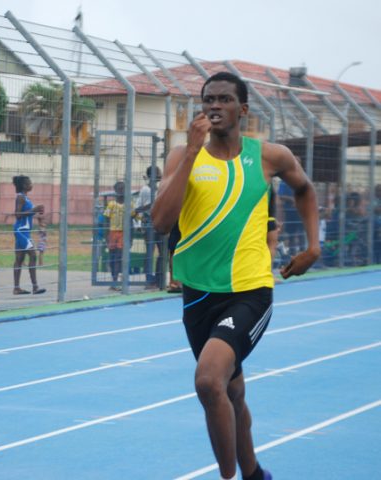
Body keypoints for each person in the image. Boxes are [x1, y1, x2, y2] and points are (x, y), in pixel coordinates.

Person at [151, 72, 320, 480]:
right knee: (232, 392)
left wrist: (313, 248)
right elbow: (160, 221)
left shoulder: (268, 156)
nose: (214, 105)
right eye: (208, 99)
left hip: (249, 292)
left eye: (225, 99)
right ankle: (255, 473)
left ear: (242, 110)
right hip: (196, 295)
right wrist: (191, 152)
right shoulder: (182, 157)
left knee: (209, 381)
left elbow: (304, 189)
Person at [12, 175, 46, 295]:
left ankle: (16, 288)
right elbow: (18, 214)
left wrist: (38, 214)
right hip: (21, 231)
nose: (32, 185)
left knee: (19, 259)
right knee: (33, 254)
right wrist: (34, 209)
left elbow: (27, 215)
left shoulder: (26, 198)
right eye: (30, 183)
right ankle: (35, 286)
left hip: (25, 230)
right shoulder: (21, 197)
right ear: (24, 186)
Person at [134, 165, 163, 288]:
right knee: (150, 252)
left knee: (162, 252)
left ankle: (158, 278)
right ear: (150, 176)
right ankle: (149, 280)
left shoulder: (161, 188)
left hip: (160, 223)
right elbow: (138, 208)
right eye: (157, 173)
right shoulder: (145, 190)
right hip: (149, 223)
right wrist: (154, 203)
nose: (159, 175)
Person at [103, 180, 127, 291]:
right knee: (113, 258)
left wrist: (130, 237)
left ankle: (116, 281)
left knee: (118, 257)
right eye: (119, 189)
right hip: (112, 233)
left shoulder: (128, 204)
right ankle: (114, 279)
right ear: (116, 191)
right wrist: (107, 236)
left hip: (123, 233)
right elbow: (106, 221)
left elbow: (132, 219)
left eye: (123, 189)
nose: (121, 191)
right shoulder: (111, 204)